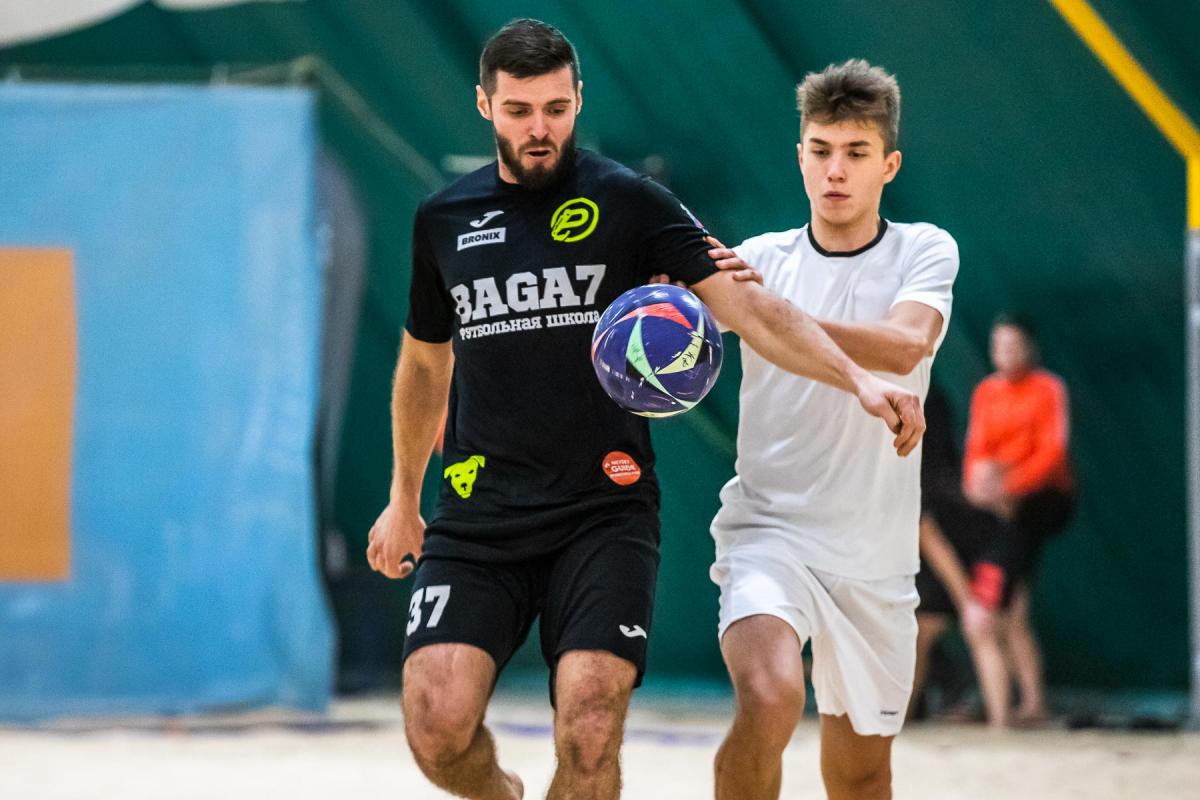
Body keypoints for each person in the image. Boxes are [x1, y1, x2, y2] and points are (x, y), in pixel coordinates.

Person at [365, 21, 925, 800]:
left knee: (591, 725)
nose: (539, 128)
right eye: (520, 110)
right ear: (486, 105)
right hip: (479, 512)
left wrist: (857, 381)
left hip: (604, 509)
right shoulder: (444, 219)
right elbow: (426, 362)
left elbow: (755, 311)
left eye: (556, 108)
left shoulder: (631, 201)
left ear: (578, 98)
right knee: (436, 725)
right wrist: (402, 497)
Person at [704, 60, 958, 799]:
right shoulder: (757, 261)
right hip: (769, 533)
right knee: (769, 698)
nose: (835, 170)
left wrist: (770, 316)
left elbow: (905, 346)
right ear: (800, 157)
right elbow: (674, 315)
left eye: (855, 152)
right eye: (820, 150)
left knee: (861, 774)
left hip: (875, 558)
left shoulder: (924, 249)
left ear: (889, 165)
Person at [960, 314, 1075, 727]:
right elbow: (976, 454)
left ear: (1029, 348)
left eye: (1012, 345)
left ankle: (1001, 717)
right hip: (999, 510)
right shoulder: (987, 392)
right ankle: (1030, 705)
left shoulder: (1048, 389)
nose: (1004, 354)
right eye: (998, 346)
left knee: (982, 616)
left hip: (1039, 504)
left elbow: (1052, 455)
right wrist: (982, 487)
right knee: (1013, 612)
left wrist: (1010, 486)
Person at [909, 383, 1002, 721]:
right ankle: (901, 717)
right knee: (924, 631)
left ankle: (1006, 717)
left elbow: (931, 538)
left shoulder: (928, 491)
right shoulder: (937, 484)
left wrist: (968, 601)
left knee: (986, 627)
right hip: (960, 559)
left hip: (980, 560)